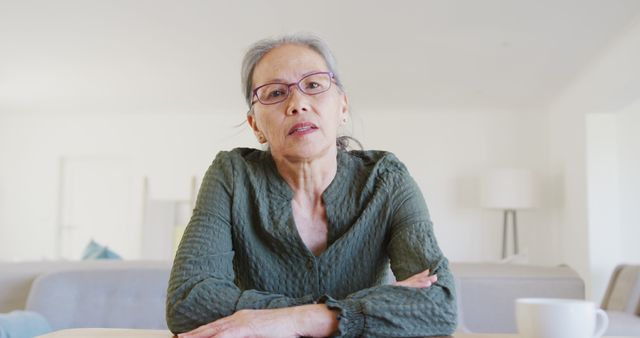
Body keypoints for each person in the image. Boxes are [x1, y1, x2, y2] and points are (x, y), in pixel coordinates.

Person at [166, 34, 457, 338]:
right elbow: (188, 303)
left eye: (314, 85)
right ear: (256, 127)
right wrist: (360, 310)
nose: (297, 104)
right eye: (276, 92)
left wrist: (292, 321)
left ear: (342, 107)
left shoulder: (387, 178)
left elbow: (440, 305)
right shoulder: (232, 175)